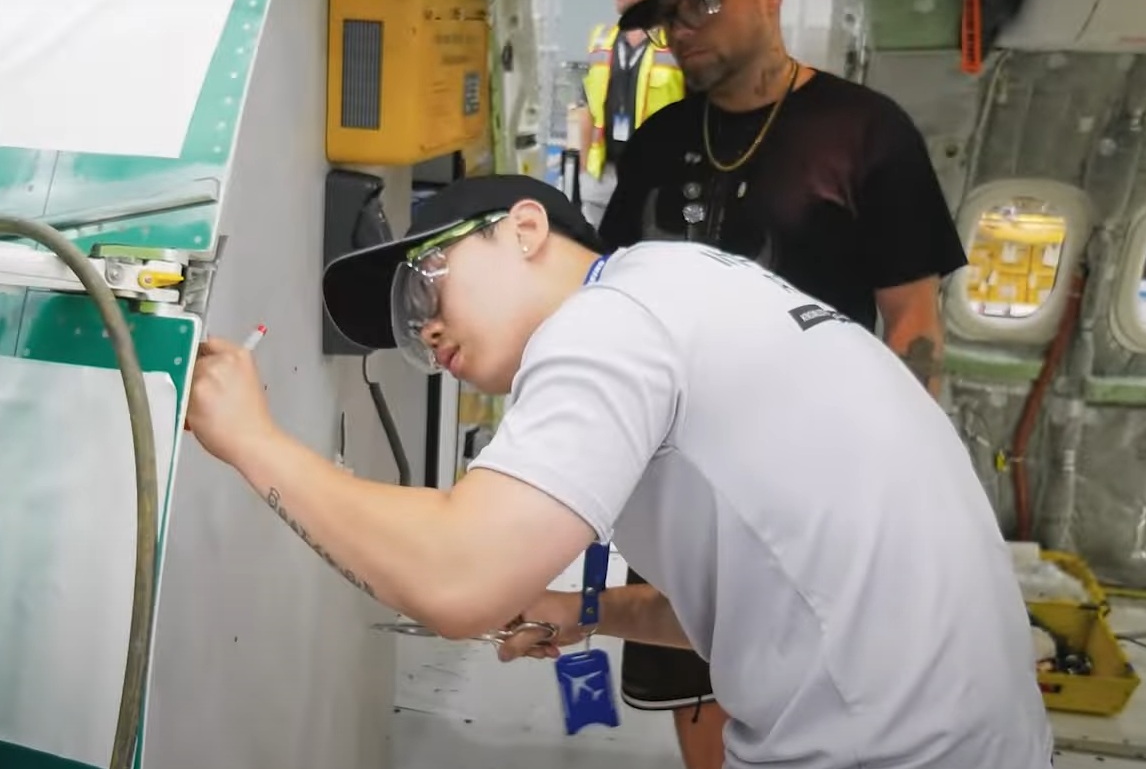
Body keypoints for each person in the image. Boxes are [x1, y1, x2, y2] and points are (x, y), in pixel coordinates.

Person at [186, 173, 1053, 769]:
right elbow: (757, 594)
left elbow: (458, 581)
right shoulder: (683, 288)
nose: (427, 331)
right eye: (409, 333)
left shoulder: (607, 322)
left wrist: (253, 439)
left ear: (525, 228)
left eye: (425, 286)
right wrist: (582, 610)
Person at [596, 0, 971, 761]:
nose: (681, 29)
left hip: (817, 485)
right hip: (678, 481)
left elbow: (912, 320)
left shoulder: (867, 133)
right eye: (666, 15)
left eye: (701, 1)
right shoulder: (658, 141)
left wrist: (896, 481)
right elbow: (611, 295)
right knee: (698, 689)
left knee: (807, 693)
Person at [572, 0, 687, 228]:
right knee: (596, 241)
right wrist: (583, 168)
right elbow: (587, 107)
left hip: (659, 173)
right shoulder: (601, 39)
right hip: (603, 172)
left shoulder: (676, 41)